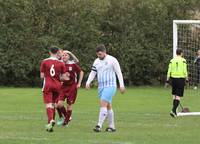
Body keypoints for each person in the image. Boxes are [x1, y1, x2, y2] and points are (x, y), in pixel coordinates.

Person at [86, 44, 125, 132]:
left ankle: (98, 125)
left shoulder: (112, 60)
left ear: (104, 52)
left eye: (100, 54)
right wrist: (88, 82)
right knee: (108, 106)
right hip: (101, 87)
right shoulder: (96, 61)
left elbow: (119, 73)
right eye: (97, 54)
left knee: (103, 103)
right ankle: (112, 126)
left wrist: (121, 85)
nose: (98, 56)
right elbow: (93, 73)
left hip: (111, 86)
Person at [40, 46, 69, 132]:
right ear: (57, 52)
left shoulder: (44, 62)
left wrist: (48, 76)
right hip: (57, 86)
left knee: (49, 105)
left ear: (50, 52)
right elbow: (64, 77)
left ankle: (50, 120)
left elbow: (42, 76)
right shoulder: (61, 63)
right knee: (54, 104)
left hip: (48, 85)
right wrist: (61, 78)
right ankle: (51, 123)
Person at [56, 50, 84, 126]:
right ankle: (67, 117)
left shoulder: (73, 64)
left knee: (69, 105)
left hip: (72, 87)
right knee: (59, 104)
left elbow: (81, 72)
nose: (64, 56)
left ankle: (66, 122)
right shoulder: (60, 64)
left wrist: (79, 83)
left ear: (69, 57)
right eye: (63, 55)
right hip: (63, 87)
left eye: (66, 55)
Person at [166, 48, 188, 117]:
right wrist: (187, 80)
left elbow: (169, 70)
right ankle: (173, 110)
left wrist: (167, 80)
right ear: (181, 53)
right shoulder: (183, 60)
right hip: (180, 79)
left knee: (175, 95)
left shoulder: (172, 60)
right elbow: (185, 70)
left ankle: (175, 112)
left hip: (173, 79)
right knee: (178, 96)